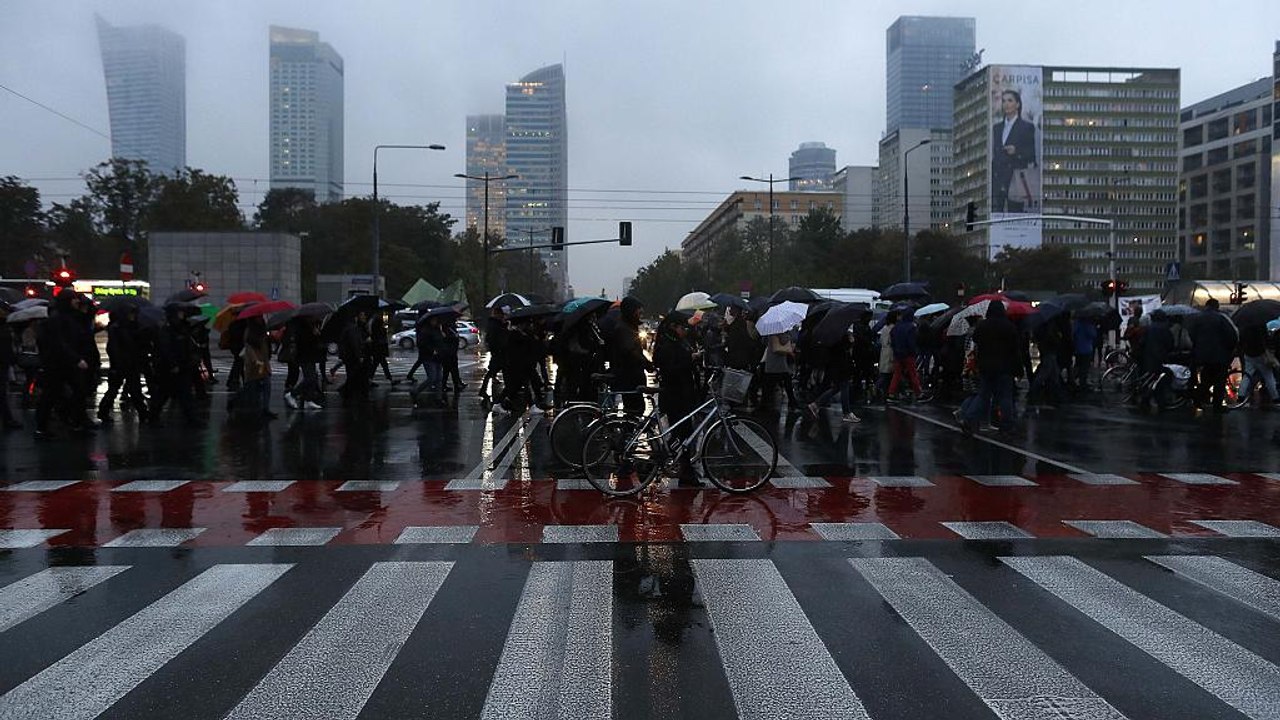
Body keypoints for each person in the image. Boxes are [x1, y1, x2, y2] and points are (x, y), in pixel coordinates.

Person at [652, 312, 702, 486]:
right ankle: (683, 470)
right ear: (673, 327)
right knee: (683, 434)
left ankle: (685, 471)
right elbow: (670, 369)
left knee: (683, 434)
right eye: (683, 327)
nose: (685, 331)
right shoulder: (667, 344)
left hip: (682, 393)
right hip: (675, 395)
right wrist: (690, 358)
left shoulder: (674, 341)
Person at [959, 300, 1021, 434]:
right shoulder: (1009, 327)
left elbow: (975, 340)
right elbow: (1015, 350)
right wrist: (1018, 369)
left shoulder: (983, 326)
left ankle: (969, 419)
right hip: (1004, 366)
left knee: (983, 395)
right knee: (1005, 397)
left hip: (986, 366)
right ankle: (1006, 424)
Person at [98, 305, 149, 423]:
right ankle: (103, 411)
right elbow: (114, 348)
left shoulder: (131, 327)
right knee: (115, 389)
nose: (132, 316)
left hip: (130, 362)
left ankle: (143, 413)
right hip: (122, 363)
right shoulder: (118, 328)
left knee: (132, 389)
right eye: (130, 314)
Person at [1188, 298, 1239, 413]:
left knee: (1206, 379)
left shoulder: (1197, 318)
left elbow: (1191, 334)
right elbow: (1232, 335)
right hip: (1220, 356)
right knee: (1219, 381)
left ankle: (1197, 398)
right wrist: (1229, 350)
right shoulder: (1221, 318)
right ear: (1217, 306)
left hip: (1202, 356)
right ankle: (1217, 405)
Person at [991, 89, 1037, 213]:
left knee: (1015, 214)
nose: (1006, 104)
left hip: (1016, 178)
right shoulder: (997, 128)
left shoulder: (1026, 127)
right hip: (998, 179)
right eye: (1004, 101)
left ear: (1017, 104)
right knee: (996, 215)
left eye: (1010, 100)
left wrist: (1016, 152)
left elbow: (1032, 155)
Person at [608, 296, 652, 415]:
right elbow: (631, 351)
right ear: (631, 310)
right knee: (634, 410)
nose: (641, 312)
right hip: (629, 377)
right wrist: (647, 364)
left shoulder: (629, 327)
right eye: (638, 309)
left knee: (635, 409)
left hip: (632, 377)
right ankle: (628, 433)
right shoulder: (623, 329)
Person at [1237, 321, 1278, 408]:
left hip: (1248, 353)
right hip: (1261, 354)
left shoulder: (1244, 325)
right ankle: (1276, 398)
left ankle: (1241, 397)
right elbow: (1266, 339)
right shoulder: (1261, 324)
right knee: (1268, 376)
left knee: (1247, 376)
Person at [887, 311, 923, 402]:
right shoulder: (911, 327)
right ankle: (918, 393)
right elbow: (911, 342)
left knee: (897, 374)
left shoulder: (896, 327)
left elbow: (892, 340)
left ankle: (891, 393)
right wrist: (914, 352)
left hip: (898, 354)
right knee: (913, 373)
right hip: (908, 354)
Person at [478, 306, 508, 400]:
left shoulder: (495, 324)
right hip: (498, 351)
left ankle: (484, 390)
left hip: (498, 351)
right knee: (494, 371)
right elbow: (495, 338)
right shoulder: (494, 325)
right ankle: (484, 391)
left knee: (493, 371)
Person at [0, 302, 21, 430]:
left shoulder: (5, 328)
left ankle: (8, 419)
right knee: (2, 393)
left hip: (4, 362)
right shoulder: (4, 329)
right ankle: (8, 420)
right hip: (2, 363)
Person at [367, 314, 398, 387]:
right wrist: (387, 327)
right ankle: (390, 380)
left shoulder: (378, 318)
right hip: (379, 346)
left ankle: (370, 380)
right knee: (379, 364)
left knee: (380, 364)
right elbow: (382, 331)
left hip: (378, 345)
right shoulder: (380, 319)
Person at [440, 320, 464, 391]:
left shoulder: (451, 328)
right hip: (448, 353)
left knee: (451, 370)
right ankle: (454, 385)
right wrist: (454, 337)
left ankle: (453, 385)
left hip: (452, 352)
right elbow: (447, 339)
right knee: (450, 370)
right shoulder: (445, 329)